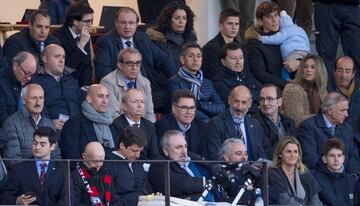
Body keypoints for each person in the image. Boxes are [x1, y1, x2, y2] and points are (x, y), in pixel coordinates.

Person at [94, 7, 177, 113]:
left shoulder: (142, 38)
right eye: (123, 23)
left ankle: (162, 128)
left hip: (146, 88)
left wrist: (176, 81)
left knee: (174, 96)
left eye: (131, 23)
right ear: (116, 23)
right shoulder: (105, 41)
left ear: (137, 24)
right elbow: (103, 71)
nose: (127, 27)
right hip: (121, 91)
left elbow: (164, 60)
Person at [297, 92, 360, 172]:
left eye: (346, 110)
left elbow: (353, 157)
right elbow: (310, 158)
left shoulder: (347, 128)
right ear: (330, 110)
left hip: (346, 179)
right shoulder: (308, 127)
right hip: (320, 180)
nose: (346, 114)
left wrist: (352, 177)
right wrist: (334, 173)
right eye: (342, 110)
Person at [2, 126, 65, 206]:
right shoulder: (19, 168)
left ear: (52, 147)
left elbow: (68, 199)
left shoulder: (62, 169)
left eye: (42, 144)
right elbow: (5, 196)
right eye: (35, 143)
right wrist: (17, 201)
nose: (37, 147)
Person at [205, 85, 269, 161]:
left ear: (250, 104)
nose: (239, 107)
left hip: (253, 171)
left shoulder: (255, 124)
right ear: (229, 100)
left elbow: (261, 154)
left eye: (244, 103)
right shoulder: (216, 124)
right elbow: (215, 158)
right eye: (236, 101)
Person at [3, 84, 60, 167]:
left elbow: (56, 156)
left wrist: (48, 172)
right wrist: (36, 172)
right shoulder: (11, 123)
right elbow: (12, 159)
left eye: (41, 98)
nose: (38, 102)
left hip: (48, 175)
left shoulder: (49, 124)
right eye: (34, 98)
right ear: (24, 100)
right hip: (23, 176)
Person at [148, 130, 215, 201]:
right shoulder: (159, 164)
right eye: (178, 147)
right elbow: (176, 183)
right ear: (165, 150)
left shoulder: (192, 161)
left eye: (185, 146)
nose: (184, 151)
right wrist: (203, 183)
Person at [168, 42, 225, 122]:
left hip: (207, 125)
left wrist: (200, 104)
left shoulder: (207, 83)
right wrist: (208, 106)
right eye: (191, 56)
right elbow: (182, 109)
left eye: (198, 56)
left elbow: (221, 107)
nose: (195, 60)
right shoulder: (175, 82)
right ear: (182, 59)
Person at [30, 44, 82, 130]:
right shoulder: (36, 82)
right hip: (51, 130)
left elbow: (80, 104)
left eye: (63, 57)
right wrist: (48, 123)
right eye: (57, 56)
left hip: (76, 128)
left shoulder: (71, 80)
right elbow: (33, 108)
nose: (61, 60)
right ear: (45, 59)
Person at [60, 84, 115, 160]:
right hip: (84, 170)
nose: (105, 101)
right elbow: (72, 157)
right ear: (89, 98)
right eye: (100, 96)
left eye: (107, 97)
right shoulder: (73, 124)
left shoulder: (111, 123)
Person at [100, 48, 155, 122]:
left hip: (142, 127)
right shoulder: (108, 82)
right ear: (119, 65)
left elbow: (149, 113)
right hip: (121, 129)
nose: (134, 68)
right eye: (130, 63)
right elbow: (114, 115)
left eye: (138, 63)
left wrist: (149, 131)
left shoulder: (145, 82)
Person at [268, 137, 323, 205]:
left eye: (295, 151)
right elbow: (284, 200)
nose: (293, 155)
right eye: (288, 152)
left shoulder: (305, 173)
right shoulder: (273, 174)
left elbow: (315, 200)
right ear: (280, 154)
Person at [313, 0, 360, 78]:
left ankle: (357, 89)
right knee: (325, 57)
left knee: (357, 52)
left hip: (353, 6)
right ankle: (328, 90)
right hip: (325, 5)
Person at [245, 2, 286, 89]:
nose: (274, 21)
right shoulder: (254, 43)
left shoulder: (285, 35)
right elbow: (259, 74)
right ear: (260, 21)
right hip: (270, 89)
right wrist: (286, 84)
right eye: (269, 17)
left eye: (276, 15)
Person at [260, 10, 310, 80]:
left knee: (285, 69)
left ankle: (287, 83)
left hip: (292, 54)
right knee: (301, 71)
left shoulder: (284, 31)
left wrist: (262, 39)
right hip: (304, 53)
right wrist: (308, 52)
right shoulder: (300, 29)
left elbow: (276, 39)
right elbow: (307, 41)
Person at [146, 0, 197, 68]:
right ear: (168, 20)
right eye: (177, 18)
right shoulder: (158, 41)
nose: (181, 21)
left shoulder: (191, 39)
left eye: (184, 18)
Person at [110, 89, 159, 160]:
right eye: (135, 102)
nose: (140, 105)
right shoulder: (116, 125)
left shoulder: (149, 126)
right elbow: (116, 153)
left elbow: (154, 155)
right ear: (124, 106)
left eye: (142, 102)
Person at [213, 42, 261, 114]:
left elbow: (262, 93)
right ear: (223, 62)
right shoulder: (219, 81)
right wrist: (260, 107)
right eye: (234, 58)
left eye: (241, 58)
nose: (238, 62)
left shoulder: (246, 74)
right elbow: (235, 104)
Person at [53, 2, 94, 86]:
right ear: (75, 21)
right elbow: (66, 68)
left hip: (80, 86)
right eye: (87, 21)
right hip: (63, 84)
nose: (90, 25)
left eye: (91, 21)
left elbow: (86, 66)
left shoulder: (84, 35)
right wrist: (81, 45)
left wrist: (86, 87)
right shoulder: (57, 37)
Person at [155, 89, 206, 156]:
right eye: (184, 108)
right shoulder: (162, 126)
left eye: (192, 108)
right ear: (174, 109)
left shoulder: (200, 126)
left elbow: (203, 155)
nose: (189, 112)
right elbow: (165, 154)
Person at [281, 54, 328, 126]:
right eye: (305, 67)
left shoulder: (322, 90)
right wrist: (323, 118)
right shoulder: (293, 89)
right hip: (297, 132)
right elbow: (296, 120)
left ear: (320, 70)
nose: (308, 70)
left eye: (313, 67)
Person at [108, 126, 149, 206]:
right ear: (122, 145)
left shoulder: (137, 163)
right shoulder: (110, 164)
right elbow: (112, 197)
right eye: (134, 151)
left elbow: (146, 188)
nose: (138, 155)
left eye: (140, 151)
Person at [253, 84, 297, 157]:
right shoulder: (254, 123)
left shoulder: (290, 122)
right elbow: (263, 152)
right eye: (262, 99)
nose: (265, 103)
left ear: (279, 101)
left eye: (269, 99)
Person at [202, 8, 246, 80]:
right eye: (230, 24)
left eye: (237, 24)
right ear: (220, 26)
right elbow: (214, 76)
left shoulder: (242, 47)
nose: (234, 27)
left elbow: (247, 73)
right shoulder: (210, 49)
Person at [314, 138, 356, 205]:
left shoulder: (350, 180)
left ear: (343, 159)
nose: (336, 159)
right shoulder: (315, 180)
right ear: (324, 159)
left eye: (339, 156)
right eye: (332, 156)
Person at [0, 52, 37, 127]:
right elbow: (2, 116)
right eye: (27, 73)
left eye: (32, 75)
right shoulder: (2, 83)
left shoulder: (31, 83)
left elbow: (41, 109)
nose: (29, 78)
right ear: (15, 65)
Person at [328, 56, 360, 125]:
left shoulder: (358, 88)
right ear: (334, 72)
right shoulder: (327, 89)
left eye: (347, 71)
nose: (343, 75)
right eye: (340, 70)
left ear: (353, 74)